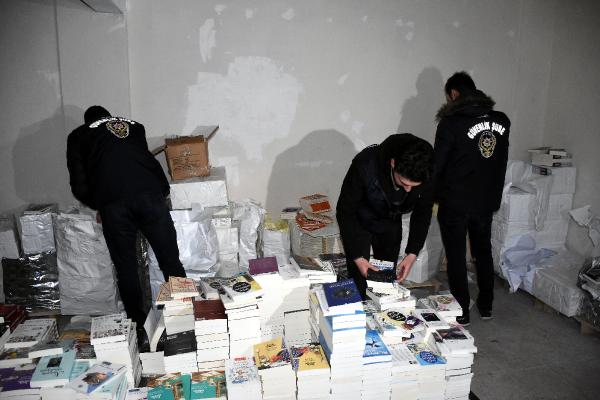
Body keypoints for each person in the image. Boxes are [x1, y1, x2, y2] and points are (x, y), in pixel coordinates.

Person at [66, 105, 186, 336]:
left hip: (115, 205)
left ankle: (138, 329)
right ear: (110, 118)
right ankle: (184, 316)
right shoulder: (134, 126)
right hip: (150, 196)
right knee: (170, 260)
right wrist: (161, 192)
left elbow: (79, 184)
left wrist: (100, 204)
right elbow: (146, 162)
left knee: (127, 267)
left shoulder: (79, 135)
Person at [434, 71, 510, 325]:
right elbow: (499, 161)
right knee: (483, 252)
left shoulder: (451, 123)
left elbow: (437, 165)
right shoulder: (502, 121)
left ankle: (462, 310)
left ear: (454, 94)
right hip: (485, 200)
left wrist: (432, 195)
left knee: (456, 255)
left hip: (455, 201)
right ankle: (486, 306)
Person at [336, 133, 435, 298]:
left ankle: (383, 309)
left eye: (414, 186)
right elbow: (345, 211)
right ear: (393, 163)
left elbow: (422, 212)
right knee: (359, 276)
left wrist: (412, 253)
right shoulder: (365, 164)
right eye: (404, 183)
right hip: (360, 216)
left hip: (390, 220)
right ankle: (358, 304)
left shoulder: (427, 171)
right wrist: (358, 258)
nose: (409, 190)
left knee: (385, 280)